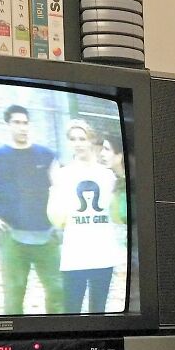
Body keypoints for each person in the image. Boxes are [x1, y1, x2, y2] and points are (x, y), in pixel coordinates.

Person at [0, 105, 63, 315]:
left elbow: (61, 189)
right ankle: (14, 343)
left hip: (46, 236)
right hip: (12, 237)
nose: (22, 127)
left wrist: (60, 222)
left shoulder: (46, 156)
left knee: (57, 291)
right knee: (14, 295)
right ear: (8, 125)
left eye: (25, 122)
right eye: (17, 122)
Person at [47, 119, 123, 314]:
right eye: (73, 139)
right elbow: (57, 219)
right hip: (75, 257)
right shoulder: (63, 175)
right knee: (72, 312)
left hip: (103, 256)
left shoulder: (108, 176)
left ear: (91, 140)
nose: (78, 143)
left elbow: (116, 216)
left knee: (98, 312)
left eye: (82, 138)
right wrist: (54, 188)